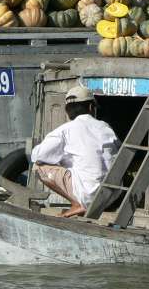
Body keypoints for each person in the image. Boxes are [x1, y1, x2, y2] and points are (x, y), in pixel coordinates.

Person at [30, 85, 119, 218]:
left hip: (88, 196)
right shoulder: (106, 128)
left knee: (38, 166)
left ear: (67, 111)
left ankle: (77, 204)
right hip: (112, 195)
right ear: (91, 107)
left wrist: (61, 158)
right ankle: (83, 203)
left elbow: (37, 155)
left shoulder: (65, 130)